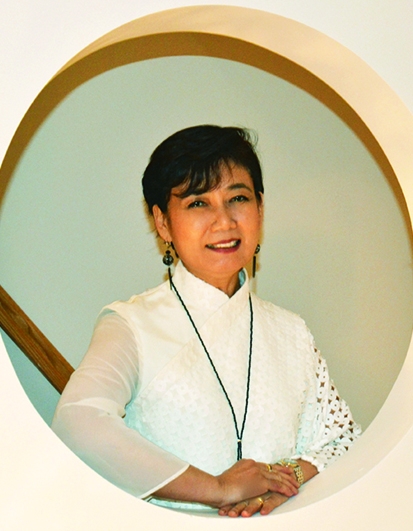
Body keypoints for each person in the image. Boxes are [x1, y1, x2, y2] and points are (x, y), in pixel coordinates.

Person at [52, 125, 361, 517]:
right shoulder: (130, 324)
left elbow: (341, 439)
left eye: (238, 198)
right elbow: (77, 423)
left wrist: (283, 479)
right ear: (163, 223)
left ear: (260, 208)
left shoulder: (291, 331)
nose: (224, 221)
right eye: (198, 203)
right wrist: (218, 489)